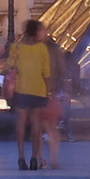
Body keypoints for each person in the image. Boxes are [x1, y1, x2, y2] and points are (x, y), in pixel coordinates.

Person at [9, 18, 56, 170]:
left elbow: (9, 66)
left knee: (21, 123)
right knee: (36, 123)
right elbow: (46, 73)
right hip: (38, 90)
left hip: (21, 90)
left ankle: (21, 156)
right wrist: (49, 92)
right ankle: (34, 158)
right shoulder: (42, 49)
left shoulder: (16, 47)